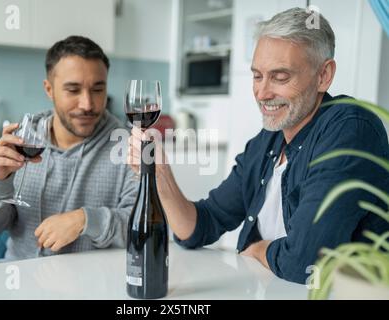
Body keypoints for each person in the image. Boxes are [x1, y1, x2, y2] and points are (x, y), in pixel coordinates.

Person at [128, 8, 389, 284]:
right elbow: (202, 225)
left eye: (280, 77)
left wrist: (261, 249)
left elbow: (306, 261)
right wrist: (161, 179)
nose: (262, 93)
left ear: (324, 75)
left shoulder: (350, 129)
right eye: (257, 76)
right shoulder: (268, 140)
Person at [0, 36, 138, 261]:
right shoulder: (22, 142)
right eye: (73, 90)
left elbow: (141, 229)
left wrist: (85, 220)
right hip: (19, 282)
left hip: (91, 287)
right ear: (49, 89)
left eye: (98, 89)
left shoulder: (129, 147)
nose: (87, 104)